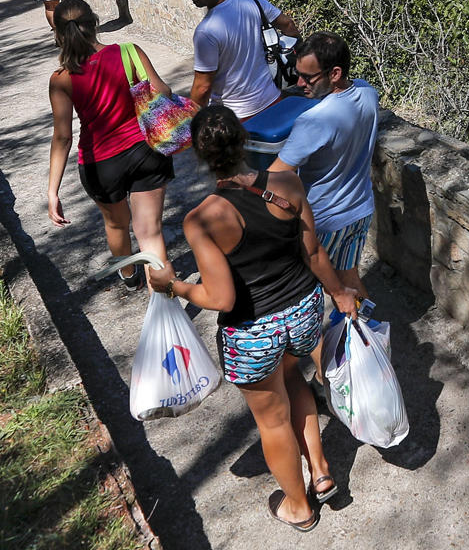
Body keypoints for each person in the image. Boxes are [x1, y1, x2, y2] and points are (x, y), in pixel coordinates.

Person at [148, 106, 360, 532]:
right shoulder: (288, 184)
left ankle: (298, 507)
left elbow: (220, 295)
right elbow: (314, 254)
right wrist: (340, 294)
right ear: (243, 140)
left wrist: (172, 286)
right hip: (302, 314)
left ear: (200, 156)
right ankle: (319, 469)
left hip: (253, 333)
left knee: (272, 419)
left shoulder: (202, 219)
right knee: (295, 379)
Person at [43, 0, 173, 290]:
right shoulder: (129, 52)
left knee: (116, 224)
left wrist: (53, 191)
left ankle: (129, 277)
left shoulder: (61, 79)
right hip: (145, 151)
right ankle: (164, 300)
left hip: (100, 163)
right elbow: (163, 92)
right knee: (150, 233)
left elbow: (63, 137)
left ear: (59, 34)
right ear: (95, 23)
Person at [271, 32, 380, 315]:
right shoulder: (369, 93)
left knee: (308, 297)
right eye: (299, 75)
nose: (299, 83)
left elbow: (276, 174)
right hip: (359, 210)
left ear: (335, 73)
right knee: (350, 280)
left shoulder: (315, 121)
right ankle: (372, 340)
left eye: (309, 78)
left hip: (323, 221)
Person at [183, 0, 310, 162]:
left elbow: (202, 87)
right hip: (272, 99)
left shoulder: (206, 31)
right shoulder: (249, 0)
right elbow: (288, 25)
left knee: (246, 179)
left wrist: (192, 125)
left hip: (237, 118)